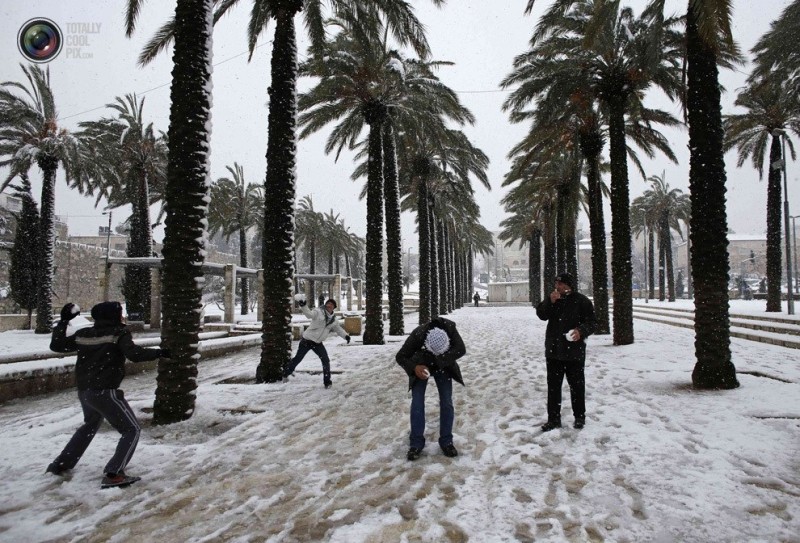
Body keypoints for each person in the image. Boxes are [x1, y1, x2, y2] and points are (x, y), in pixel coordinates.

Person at [46, 301, 169, 489]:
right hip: (105, 391)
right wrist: (161, 353)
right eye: (120, 314)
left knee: (90, 425)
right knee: (131, 429)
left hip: (85, 391)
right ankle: (114, 473)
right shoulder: (118, 334)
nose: (122, 317)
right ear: (114, 316)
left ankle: (61, 464)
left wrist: (63, 322)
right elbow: (134, 354)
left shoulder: (84, 334)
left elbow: (57, 345)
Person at [396, 317, 466, 461]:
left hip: (444, 365)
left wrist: (439, 360)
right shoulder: (418, 335)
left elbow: (460, 349)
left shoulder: (450, 329)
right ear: (426, 344)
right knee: (417, 402)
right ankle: (416, 443)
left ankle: (447, 441)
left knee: (447, 401)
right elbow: (401, 356)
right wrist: (414, 368)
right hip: (421, 366)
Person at [535, 272, 596, 432]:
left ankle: (579, 417)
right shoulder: (554, 300)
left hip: (574, 353)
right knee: (553, 387)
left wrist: (581, 331)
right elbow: (541, 314)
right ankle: (553, 419)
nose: (558, 286)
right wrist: (550, 301)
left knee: (577, 386)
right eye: (556, 283)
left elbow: (592, 322)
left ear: (569, 285)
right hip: (554, 351)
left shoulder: (581, 301)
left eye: (561, 284)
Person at [284, 297, 350, 388]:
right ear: (326, 305)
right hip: (307, 340)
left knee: (325, 360)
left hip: (318, 343)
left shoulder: (334, 320)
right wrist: (303, 306)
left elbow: (338, 329)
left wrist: (346, 336)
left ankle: (327, 382)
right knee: (298, 358)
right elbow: (309, 314)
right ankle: (285, 374)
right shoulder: (318, 311)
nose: (329, 305)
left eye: (331, 304)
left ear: (334, 307)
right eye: (328, 303)